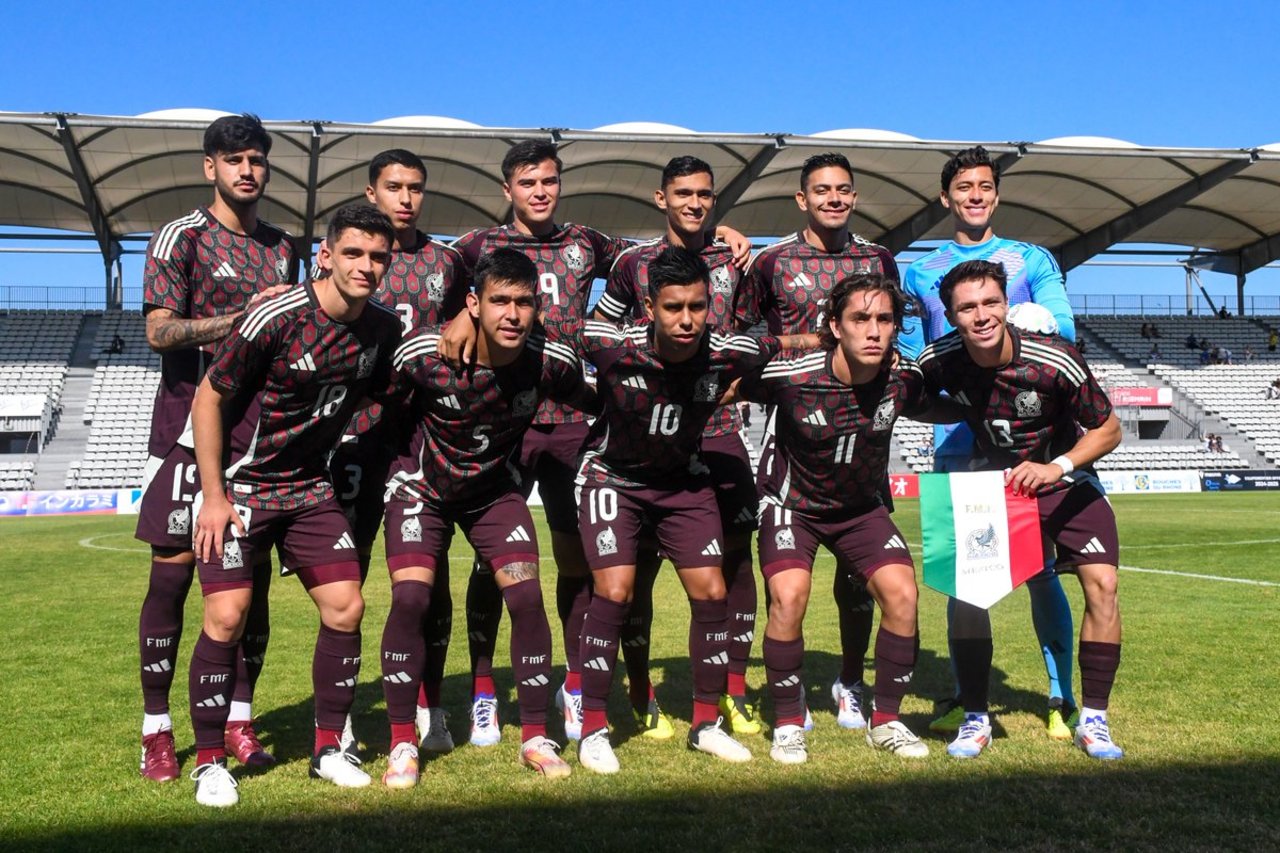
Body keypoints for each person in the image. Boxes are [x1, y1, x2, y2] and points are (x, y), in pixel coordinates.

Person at [437, 141, 751, 748]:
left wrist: (719, 229)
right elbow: (432, 280)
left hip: (573, 418)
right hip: (502, 419)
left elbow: (658, 251)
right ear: (507, 189)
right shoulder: (474, 246)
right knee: (491, 561)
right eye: (528, 181)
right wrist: (460, 316)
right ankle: (483, 691)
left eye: (550, 181)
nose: (540, 192)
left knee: (580, 564)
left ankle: (577, 684)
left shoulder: (588, 242)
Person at [186, 204, 402, 807]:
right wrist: (213, 496)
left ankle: (329, 749)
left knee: (346, 606)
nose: (366, 266)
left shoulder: (382, 330)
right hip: (242, 485)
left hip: (309, 488)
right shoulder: (276, 317)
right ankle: (208, 762)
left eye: (378, 257)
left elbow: (388, 392)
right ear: (326, 256)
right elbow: (207, 400)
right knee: (227, 616)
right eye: (353, 253)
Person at [573, 246, 817, 774]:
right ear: (649, 308)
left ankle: (705, 725)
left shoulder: (728, 349)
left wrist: (832, 339)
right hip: (613, 478)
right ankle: (592, 728)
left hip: (684, 481)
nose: (687, 320)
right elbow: (543, 331)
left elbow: (784, 342)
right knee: (615, 591)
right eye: (673, 307)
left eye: (697, 307)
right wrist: (463, 321)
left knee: (712, 592)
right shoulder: (609, 343)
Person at [379, 249, 587, 787]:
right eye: (500, 301)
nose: (512, 314)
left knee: (526, 596)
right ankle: (403, 740)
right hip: (422, 488)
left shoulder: (551, 360)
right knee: (412, 598)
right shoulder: (423, 354)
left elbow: (598, 402)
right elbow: (380, 406)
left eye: (524, 302)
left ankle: (535, 736)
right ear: (473, 304)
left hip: (494, 493)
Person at [134, 113, 296, 783]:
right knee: (172, 575)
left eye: (256, 159)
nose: (247, 170)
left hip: (258, 434)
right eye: (234, 160)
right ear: (211, 167)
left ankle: (238, 717)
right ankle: (156, 729)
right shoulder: (183, 236)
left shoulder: (284, 247)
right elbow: (158, 331)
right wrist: (240, 319)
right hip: (185, 426)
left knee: (247, 582)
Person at [898, 146, 1080, 741]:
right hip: (958, 443)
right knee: (964, 578)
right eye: (964, 187)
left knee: (1042, 572)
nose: (974, 195)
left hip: (1028, 442)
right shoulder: (920, 271)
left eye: (984, 186)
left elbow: (1062, 324)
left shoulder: (1031, 258)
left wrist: (1032, 316)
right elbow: (910, 352)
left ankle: (1061, 696)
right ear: (945, 197)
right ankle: (966, 697)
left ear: (996, 195)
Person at [917, 259, 1125, 761]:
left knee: (1103, 583)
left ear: (1007, 304)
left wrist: (1056, 466)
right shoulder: (938, 360)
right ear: (951, 316)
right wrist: (962, 410)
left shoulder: (1054, 359)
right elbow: (910, 398)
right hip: (995, 485)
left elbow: (1109, 429)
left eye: (991, 302)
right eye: (967, 307)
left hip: (1063, 478)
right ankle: (974, 716)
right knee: (967, 594)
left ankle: (1093, 719)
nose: (982, 315)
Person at [736, 273, 944, 763]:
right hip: (792, 505)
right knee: (789, 596)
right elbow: (721, 388)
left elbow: (955, 403)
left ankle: (886, 721)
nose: (873, 331)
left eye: (884, 320)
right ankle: (789, 722)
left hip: (859, 510)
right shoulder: (793, 376)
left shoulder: (903, 379)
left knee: (903, 594)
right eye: (860, 318)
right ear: (835, 325)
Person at [591, 156, 761, 739]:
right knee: (634, 572)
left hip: (718, 428)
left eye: (704, 194)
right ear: (661, 198)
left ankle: (731, 691)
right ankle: (640, 690)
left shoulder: (738, 258)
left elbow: (759, 331)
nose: (694, 203)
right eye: (683, 193)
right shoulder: (632, 264)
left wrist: (742, 379)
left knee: (734, 562)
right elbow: (603, 332)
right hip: (648, 431)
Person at [732, 151, 900, 732]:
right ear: (802, 199)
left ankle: (851, 680)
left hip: (860, 436)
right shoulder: (773, 261)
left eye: (843, 189)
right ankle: (789, 691)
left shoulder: (877, 258)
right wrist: (799, 347)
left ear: (854, 196)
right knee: (788, 582)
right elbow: (743, 333)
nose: (834, 198)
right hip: (797, 421)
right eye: (823, 190)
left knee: (860, 579)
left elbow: (889, 327)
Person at [328, 149, 470, 759]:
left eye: (415, 187)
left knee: (426, 580)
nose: (406, 198)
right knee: (346, 579)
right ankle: (341, 716)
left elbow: (474, 314)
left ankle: (431, 707)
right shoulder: (355, 254)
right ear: (371, 191)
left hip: (425, 436)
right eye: (394, 187)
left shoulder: (448, 260)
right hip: (356, 433)